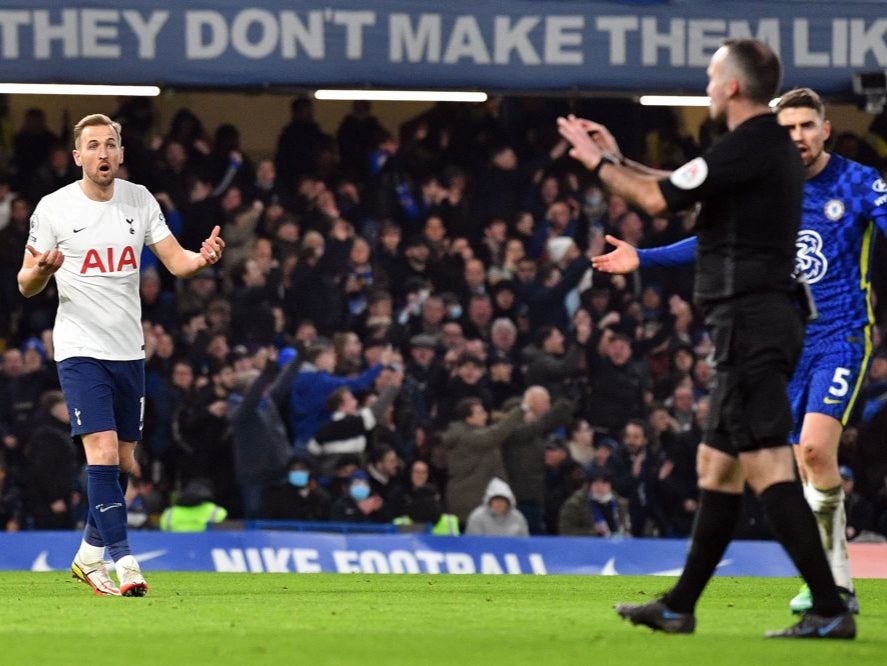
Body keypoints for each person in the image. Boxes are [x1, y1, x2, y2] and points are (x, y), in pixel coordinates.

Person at [557, 39, 853, 637]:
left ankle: (828, 606)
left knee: (769, 465)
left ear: (734, 87)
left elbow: (653, 200)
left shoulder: (750, 145)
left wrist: (594, 162)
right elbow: (678, 184)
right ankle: (679, 606)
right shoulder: (758, 150)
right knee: (717, 469)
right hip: (750, 323)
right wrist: (622, 157)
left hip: (752, 323)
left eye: (713, 76)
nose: (707, 85)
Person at [17, 113, 226, 597]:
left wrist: (202, 258)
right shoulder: (54, 208)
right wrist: (44, 271)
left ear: (121, 152)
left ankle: (88, 554)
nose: (103, 153)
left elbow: (178, 263)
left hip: (129, 351)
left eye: (110, 144)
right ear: (78, 157)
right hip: (80, 349)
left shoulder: (140, 200)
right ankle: (123, 561)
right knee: (104, 453)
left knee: (125, 464)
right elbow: (24, 284)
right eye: (92, 146)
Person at [464, 477, 529, 537]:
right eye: (496, 500)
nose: (499, 504)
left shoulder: (517, 517)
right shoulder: (477, 517)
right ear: (489, 501)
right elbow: (472, 542)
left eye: (502, 501)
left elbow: (524, 542)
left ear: (508, 502)